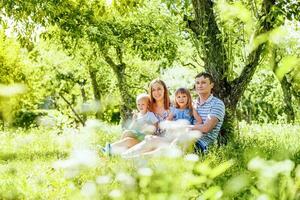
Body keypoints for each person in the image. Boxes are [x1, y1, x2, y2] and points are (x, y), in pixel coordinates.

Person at [122, 79, 171, 156]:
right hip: (146, 137)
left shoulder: (172, 107)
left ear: (164, 90)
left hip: (160, 141)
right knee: (127, 136)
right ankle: (112, 152)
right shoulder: (148, 107)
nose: (156, 92)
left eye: (159, 89)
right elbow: (141, 117)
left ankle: (125, 155)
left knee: (130, 141)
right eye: (153, 90)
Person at [191, 72, 225, 153]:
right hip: (188, 138)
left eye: (203, 83)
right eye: (197, 83)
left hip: (203, 145)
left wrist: (185, 127)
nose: (199, 85)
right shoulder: (193, 104)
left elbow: (206, 128)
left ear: (211, 85)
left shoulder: (217, 104)